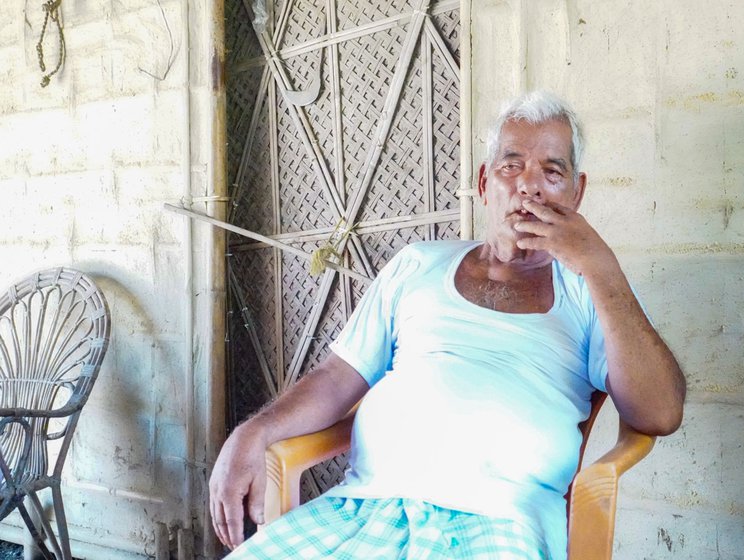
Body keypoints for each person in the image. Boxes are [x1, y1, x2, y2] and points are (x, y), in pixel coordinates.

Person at [209, 91, 686, 559]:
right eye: (511, 165)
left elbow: (659, 413)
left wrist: (601, 266)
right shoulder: (417, 265)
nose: (529, 185)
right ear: (484, 183)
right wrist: (252, 432)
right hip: (361, 513)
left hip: (499, 525)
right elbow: (335, 379)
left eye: (552, 171)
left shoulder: (591, 290)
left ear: (577, 192)